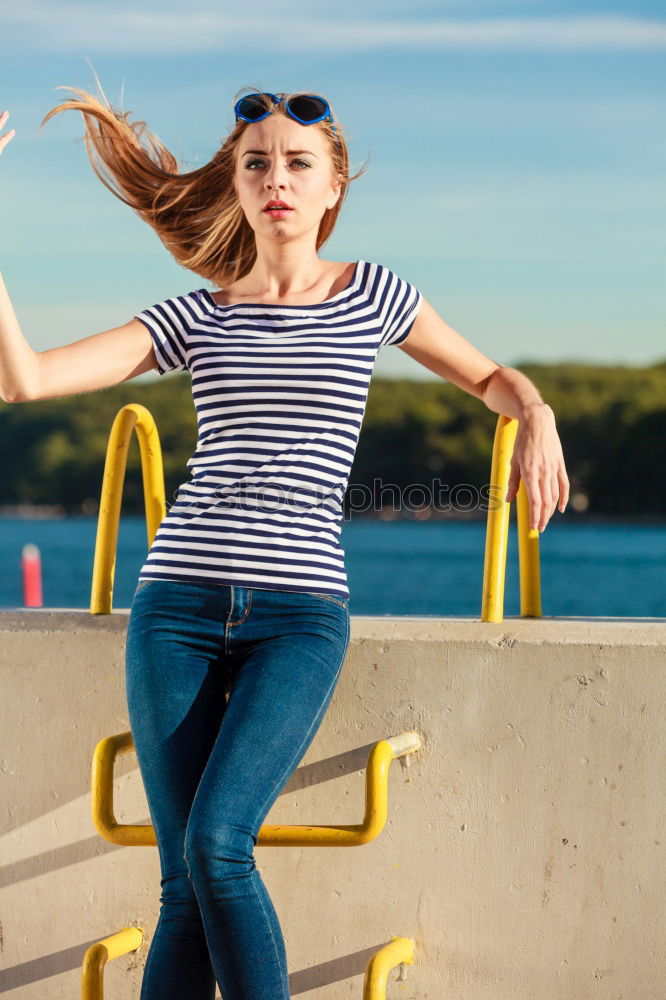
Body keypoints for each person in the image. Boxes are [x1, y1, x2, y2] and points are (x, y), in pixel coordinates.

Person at [0, 87, 569, 999]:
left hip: (299, 617)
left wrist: (536, 410)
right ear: (235, 181)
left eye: (298, 163)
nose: (277, 179)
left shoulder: (375, 294)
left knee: (217, 845)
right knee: (181, 884)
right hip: (175, 607)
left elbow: (490, 376)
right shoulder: (196, 314)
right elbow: (24, 381)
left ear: (333, 185)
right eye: (257, 162)